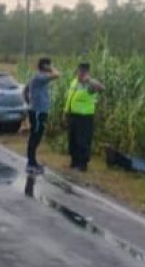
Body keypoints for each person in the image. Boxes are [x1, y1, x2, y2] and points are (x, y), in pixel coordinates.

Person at [22, 57, 60, 196]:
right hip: (38, 112)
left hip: (37, 110)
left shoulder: (37, 78)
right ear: (44, 66)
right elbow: (57, 75)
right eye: (49, 64)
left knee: (36, 136)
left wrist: (30, 102)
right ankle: (31, 163)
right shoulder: (40, 77)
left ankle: (33, 162)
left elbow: (25, 90)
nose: (51, 66)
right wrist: (50, 68)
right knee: (35, 136)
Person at [64, 62, 105, 172]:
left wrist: (89, 80)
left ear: (87, 72)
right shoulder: (74, 82)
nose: (80, 74)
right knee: (72, 139)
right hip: (73, 115)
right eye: (79, 71)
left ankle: (82, 164)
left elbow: (102, 88)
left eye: (83, 72)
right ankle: (74, 161)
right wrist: (66, 111)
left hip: (85, 116)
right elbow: (69, 97)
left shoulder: (90, 84)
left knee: (82, 141)